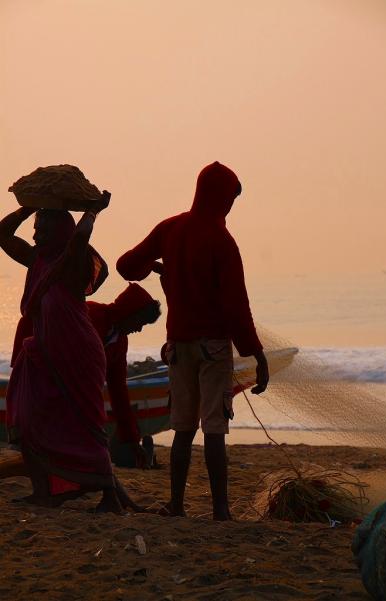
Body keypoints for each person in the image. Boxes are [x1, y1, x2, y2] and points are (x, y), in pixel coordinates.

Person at [117, 161, 269, 520]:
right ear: (222, 197)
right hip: (213, 348)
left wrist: (153, 268)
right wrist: (257, 355)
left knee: (183, 427)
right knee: (214, 429)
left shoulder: (171, 228)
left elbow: (127, 265)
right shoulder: (222, 241)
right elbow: (236, 307)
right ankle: (220, 510)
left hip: (177, 347)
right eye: (231, 198)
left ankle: (177, 506)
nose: (231, 206)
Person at [0, 201, 139, 512]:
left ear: (60, 233)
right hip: (46, 352)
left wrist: (93, 212)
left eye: (42, 230)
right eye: (35, 231)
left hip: (79, 352)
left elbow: (79, 238)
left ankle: (109, 495)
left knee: (87, 424)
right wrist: (29, 208)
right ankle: (43, 491)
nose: (35, 237)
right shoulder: (37, 260)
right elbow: (2, 234)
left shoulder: (72, 262)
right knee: (29, 418)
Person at [87, 283, 161, 467]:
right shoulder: (91, 314)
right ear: (130, 313)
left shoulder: (120, 341)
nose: (139, 329)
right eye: (140, 322)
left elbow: (118, 390)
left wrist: (132, 440)